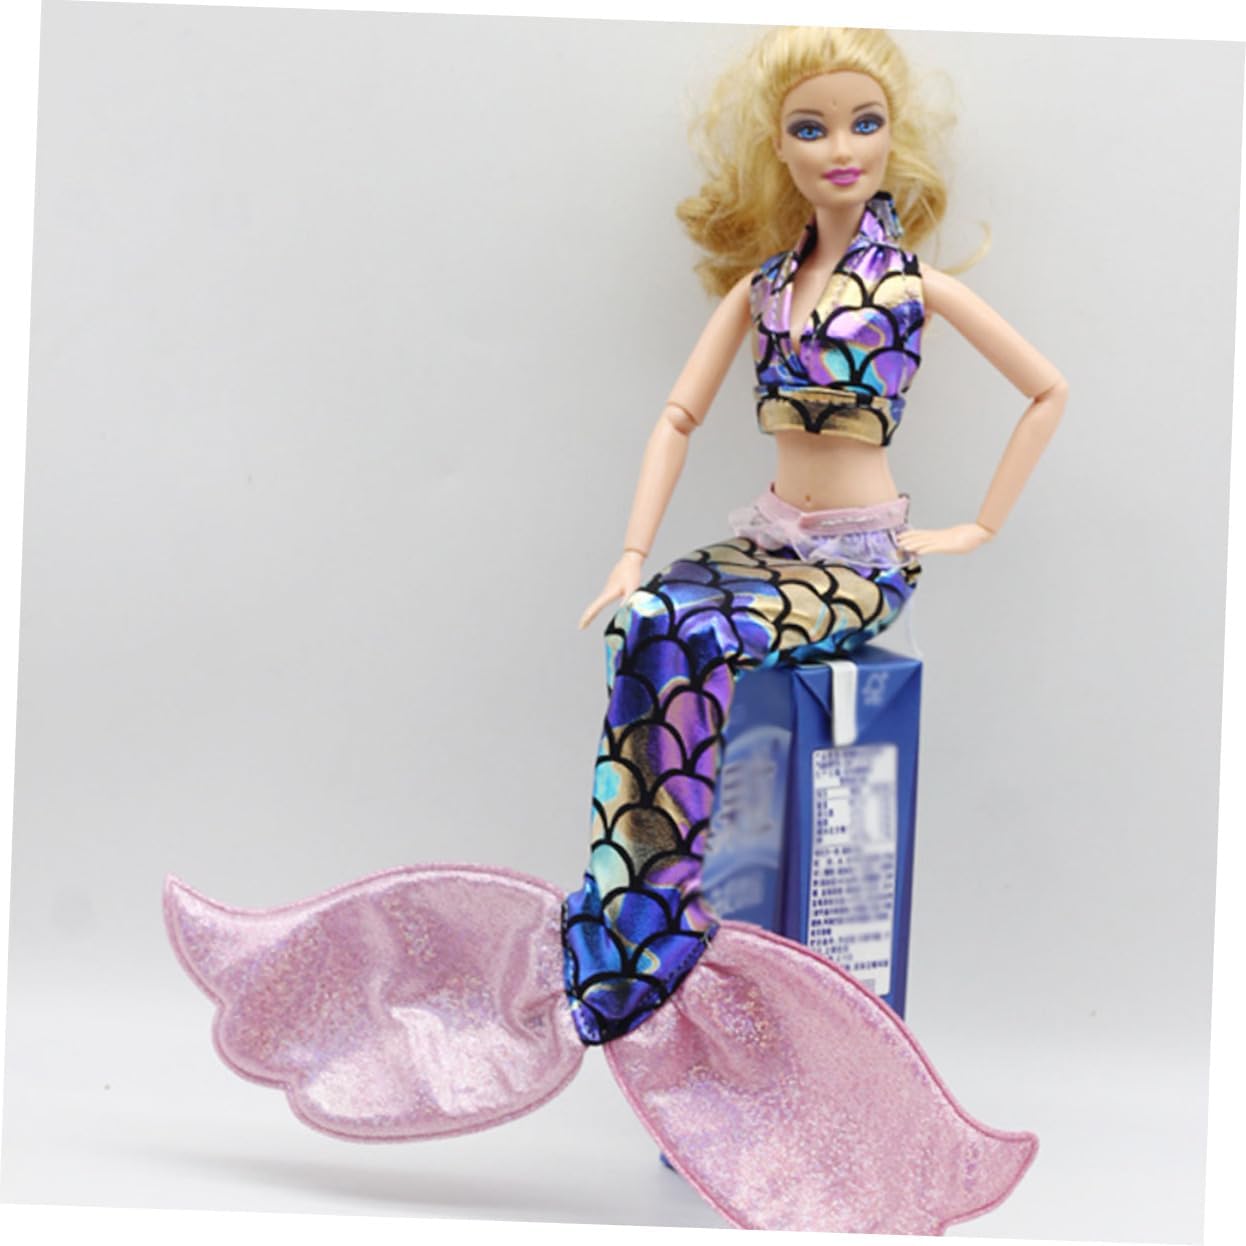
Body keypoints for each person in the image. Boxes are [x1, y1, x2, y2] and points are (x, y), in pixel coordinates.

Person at [164, 26, 1061, 1234]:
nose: (840, 147)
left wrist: (975, 529)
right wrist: (632, 555)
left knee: (699, 640)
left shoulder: (910, 287)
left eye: (865, 122)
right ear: (777, 148)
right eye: (809, 126)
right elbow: (676, 417)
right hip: (767, 538)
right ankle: (628, 912)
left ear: (895, 136)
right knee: (648, 623)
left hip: (854, 563)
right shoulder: (764, 289)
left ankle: (640, 931)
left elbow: (1046, 388)